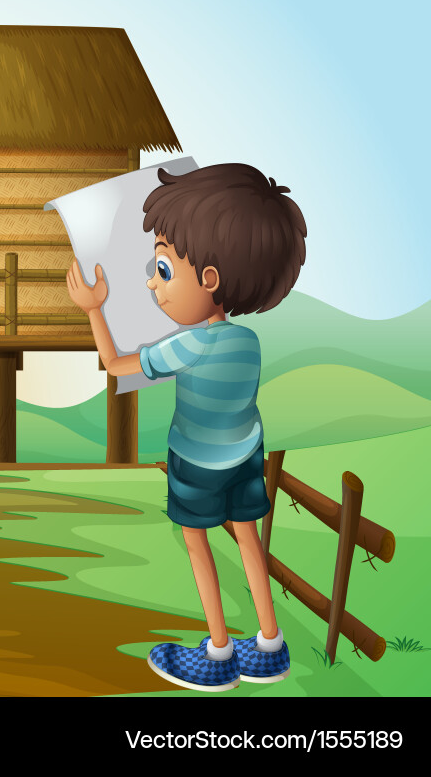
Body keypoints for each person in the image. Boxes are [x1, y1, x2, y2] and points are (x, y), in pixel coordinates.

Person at [66, 162, 307, 691]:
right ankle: (269, 646)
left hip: (196, 462)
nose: (152, 283)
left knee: (197, 543)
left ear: (212, 279)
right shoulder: (249, 342)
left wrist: (94, 310)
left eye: (164, 270)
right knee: (247, 539)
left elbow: (114, 364)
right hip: (244, 455)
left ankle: (218, 653)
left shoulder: (188, 344)